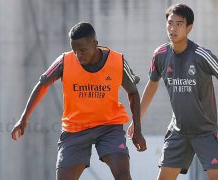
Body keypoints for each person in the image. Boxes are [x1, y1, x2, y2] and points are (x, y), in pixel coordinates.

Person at [11, 22, 147, 180]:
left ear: (95, 44)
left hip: (109, 126)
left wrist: (137, 129)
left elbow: (133, 93)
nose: (78, 55)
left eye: (82, 50)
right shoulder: (64, 61)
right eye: (75, 50)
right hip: (75, 129)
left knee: (123, 175)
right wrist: (24, 117)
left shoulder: (117, 61)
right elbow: (42, 85)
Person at [127, 3, 218, 180]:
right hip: (178, 132)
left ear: (189, 28)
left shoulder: (202, 55)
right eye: (170, 23)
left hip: (205, 132)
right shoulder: (160, 54)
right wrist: (137, 120)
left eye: (179, 24)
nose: (173, 28)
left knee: (217, 176)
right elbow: (152, 85)